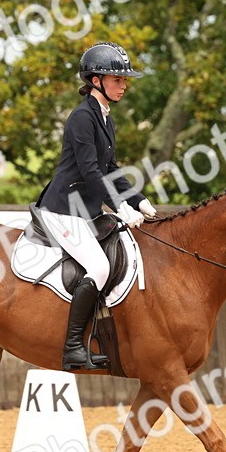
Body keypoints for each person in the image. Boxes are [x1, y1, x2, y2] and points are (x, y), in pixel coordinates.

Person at [35, 42, 158, 371]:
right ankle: (73, 347)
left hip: (86, 210)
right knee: (100, 268)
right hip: (63, 209)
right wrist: (119, 207)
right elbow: (90, 171)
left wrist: (138, 200)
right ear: (95, 80)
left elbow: (111, 169)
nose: (124, 85)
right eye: (117, 80)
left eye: (124, 81)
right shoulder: (81, 118)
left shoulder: (106, 119)